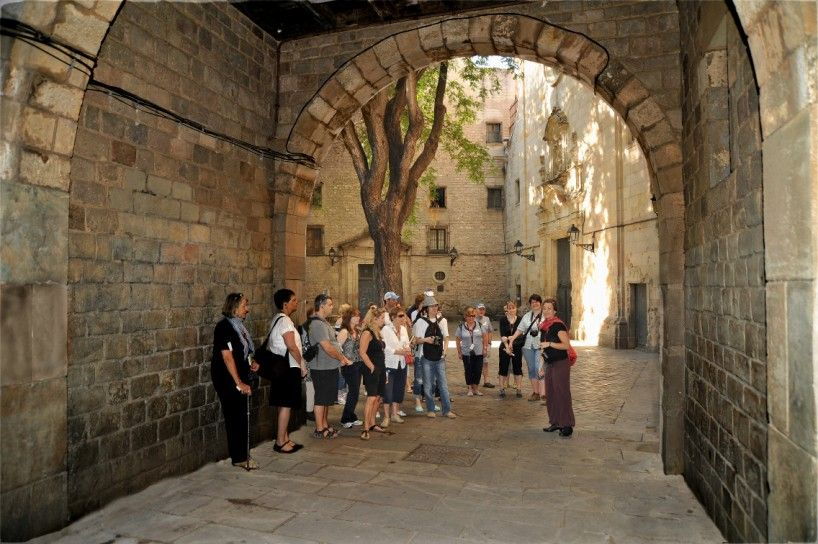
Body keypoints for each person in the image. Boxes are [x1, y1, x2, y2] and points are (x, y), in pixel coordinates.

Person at [211, 293, 259, 469]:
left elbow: (242, 352)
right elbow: (227, 357)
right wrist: (238, 382)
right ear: (234, 307)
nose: (247, 309)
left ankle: (242, 453)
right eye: (245, 305)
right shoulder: (224, 327)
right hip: (227, 379)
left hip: (240, 375)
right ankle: (239, 457)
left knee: (241, 415)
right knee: (235, 417)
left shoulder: (239, 327)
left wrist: (251, 363)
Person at [266, 289, 307, 454]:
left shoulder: (278, 319)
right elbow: (291, 346)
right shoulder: (285, 322)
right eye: (294, 300)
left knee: (283, 404)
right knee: (285, 405)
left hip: (281, 368)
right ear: (285, 304)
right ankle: (280, 441)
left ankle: (284, 437)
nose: (296, 303)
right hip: (288, 368)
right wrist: (302, 364)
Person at [308, 294, 351, 438]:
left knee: (326, 399)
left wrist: (341, 358)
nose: (332, 307)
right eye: (330, 304)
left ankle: (325, 425)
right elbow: (326, 346)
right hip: (321, 367)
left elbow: (333, 344)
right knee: (321, 398)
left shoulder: (323, 322)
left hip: (329, 366)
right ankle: (319, 429)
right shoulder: (317, 324)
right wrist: (341, 358)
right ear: (321, 306)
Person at [413, 294, 457, 419]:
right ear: (426, 308)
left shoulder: (442, 321)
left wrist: (445, 351)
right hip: (425, 357)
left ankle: (447, 410)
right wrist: (426, 340)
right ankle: (430, 409)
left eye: (436, 306)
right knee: (428, 384)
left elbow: (447, 337)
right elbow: (416, 340)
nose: (434, 308)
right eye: (431, 306)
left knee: (443, 384)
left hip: (439, 357)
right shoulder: (420, 322)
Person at [538, 297, 576, 437]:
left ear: (555, 310)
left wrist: (550, 344)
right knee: (551, 394)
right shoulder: (544, 326)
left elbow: (566, 345)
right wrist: (541, 366)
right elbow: (542, 348)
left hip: (561, 363)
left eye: (549, 308)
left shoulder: (558, 325)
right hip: (550, 363)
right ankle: (555, 422)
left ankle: (566, 425)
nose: (547, 311)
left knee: (562, 393)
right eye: (545, 308)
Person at [506, 294, 545, 402]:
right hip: (528, 346)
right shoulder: (527, 316)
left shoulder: (545, 315)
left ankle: (543, 394)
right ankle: (535, 392)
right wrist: (512, 339)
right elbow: (519, 329)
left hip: (541, 346)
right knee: (531, 369)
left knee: (539, 368)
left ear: (540, 303)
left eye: (537, 301)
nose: (535, 303)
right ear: (530, 304)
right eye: (533, 302)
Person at [359, 307, 390, 439]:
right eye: (382, 318)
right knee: (371, 398)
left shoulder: (377, 331)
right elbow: (362, 352)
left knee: (378, 397)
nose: (384, 320)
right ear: (374, 319)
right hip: (371, 369)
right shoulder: (367, 332)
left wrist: (383, 370)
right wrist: (371, 366)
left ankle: (372, 423)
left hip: (381, 368)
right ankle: (365, 428)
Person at [383, 306, 411, 425]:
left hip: (402, 363)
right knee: (388, 391)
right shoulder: (386, 329)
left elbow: (406, 343)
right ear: (393, 317)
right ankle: (386, 417)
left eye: (404, 316)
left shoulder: (404, 329)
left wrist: (407, 348)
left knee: (398, 389)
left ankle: (394, 414)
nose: (403, 318)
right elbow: (384, 346)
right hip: (390, 363)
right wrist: (397, 351)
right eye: (400, 316)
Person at [337, 306, 364, 429]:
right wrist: (344, 360)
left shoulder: (357, 331)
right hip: (349, 365)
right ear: (349, 317)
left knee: (355, 392)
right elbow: (336, 348)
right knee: (353, 392)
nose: (358, 317)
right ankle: (345, 418)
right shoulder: (344, 332)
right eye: (355, 316)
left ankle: (351, 416)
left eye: (359, 315)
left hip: (358, 364)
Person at [455, 306, 489, 396]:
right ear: (465, 316)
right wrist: (459, 352)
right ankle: (470, 388)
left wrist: (485, 348)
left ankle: (476, 389)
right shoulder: (461, 327)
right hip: (466, 353)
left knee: (478, 370)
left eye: (473, 315)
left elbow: (485, 337)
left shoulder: (480, 325)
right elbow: (457, 339)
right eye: (469, 316)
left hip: (478, 352)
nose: (471, 317)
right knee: (468, 370)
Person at [498, 301, 523, 398]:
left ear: (516, 308)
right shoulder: (503, 320)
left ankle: (519, 389)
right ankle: (501, 388)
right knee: (503, 367)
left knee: (517, 367)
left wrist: (511, 340)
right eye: (509, 308)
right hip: (505, 347)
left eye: (513, 308)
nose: (511, 310)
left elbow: (521, 334)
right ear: (507, 309)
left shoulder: (520, 320)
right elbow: (503, 335)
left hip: (517, 346)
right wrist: (507, 347)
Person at [475, 303, 495, 388]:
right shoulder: (472, 319)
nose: (481, 311)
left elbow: (490, 331)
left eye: (483, 309)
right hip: (475, 345)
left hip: (485, 345)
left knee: (485, 363)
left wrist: (489, 343)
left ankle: (486, 381)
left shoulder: (487, 319)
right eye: (480, 309)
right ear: (476, 310)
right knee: (475, 363)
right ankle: (474, 381)